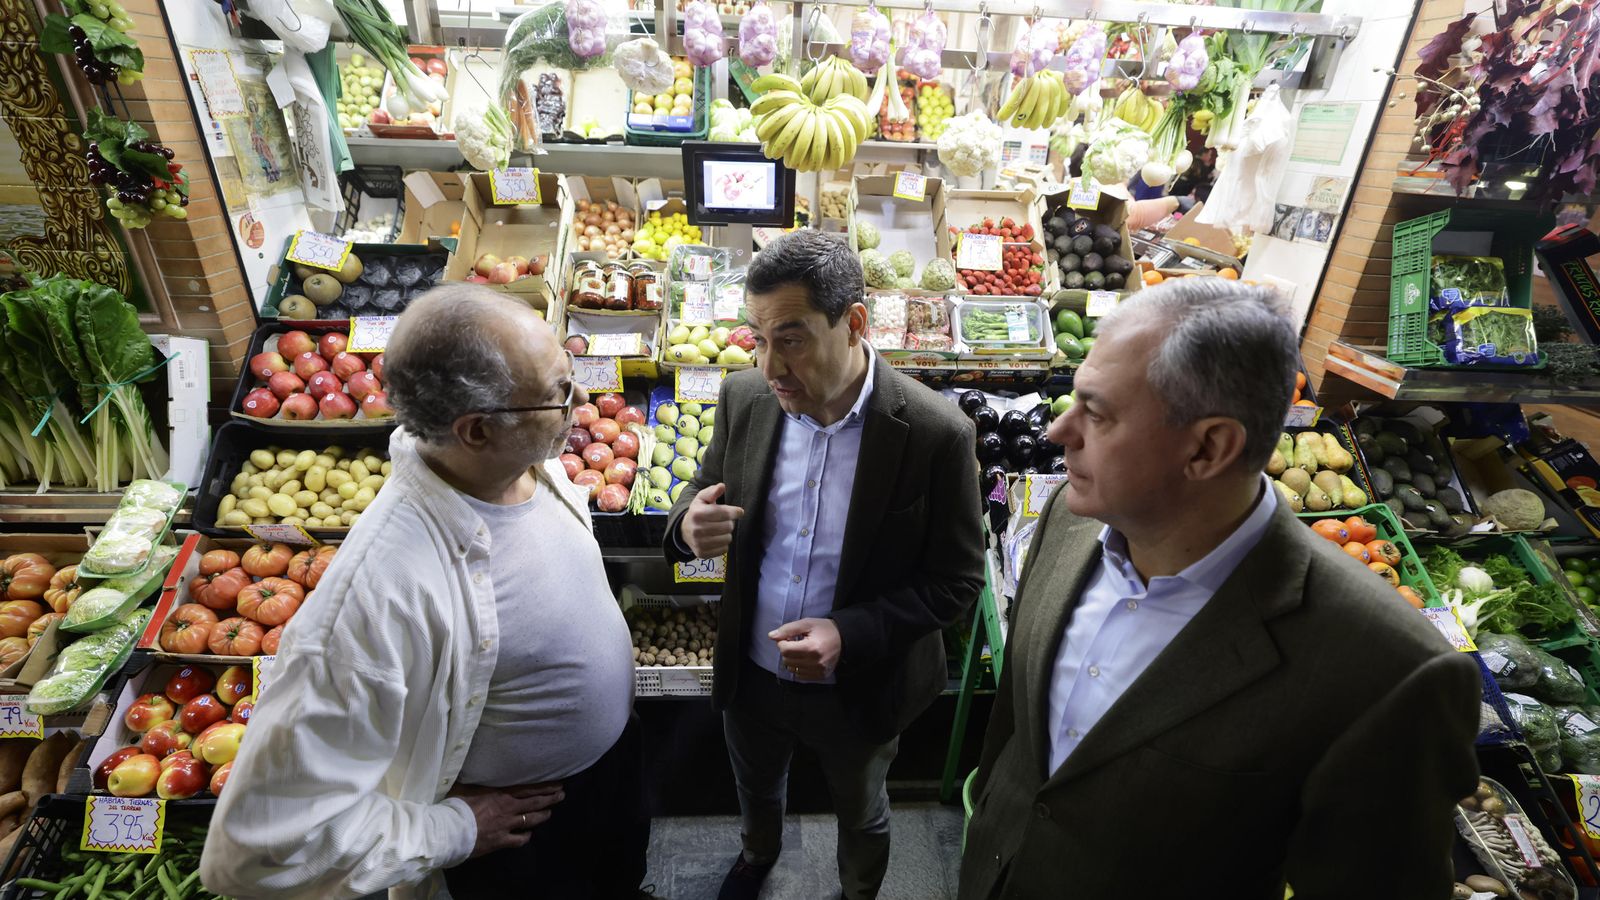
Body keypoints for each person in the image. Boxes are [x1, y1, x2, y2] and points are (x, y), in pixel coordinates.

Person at [959, 281, 1481, 900]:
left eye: (1097, 413)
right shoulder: (1071, 521)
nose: (1058, 432)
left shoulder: (1390, 674)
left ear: (1208, 447)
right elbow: (1014, 739)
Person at [202, 284, 648, 900]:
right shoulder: (377, 591)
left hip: (606, 775)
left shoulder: (525, 465)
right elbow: (260, 848)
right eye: (556, 394)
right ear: (476, 430)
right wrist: (454, 828)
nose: (581, 402)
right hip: (520, 841)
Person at [664, 229, 985, 900]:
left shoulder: (934, 434)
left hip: (862, 685)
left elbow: (957, 580)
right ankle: (758, 854)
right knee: (755, 784)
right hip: (752, 672)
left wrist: (852, 632)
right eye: (757, 337)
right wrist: (687, 523)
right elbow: (704, 485)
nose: (770, 365)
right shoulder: (744, 398)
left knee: (863, 809)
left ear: (854, 323)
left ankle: (859, 890)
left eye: (791, 338)